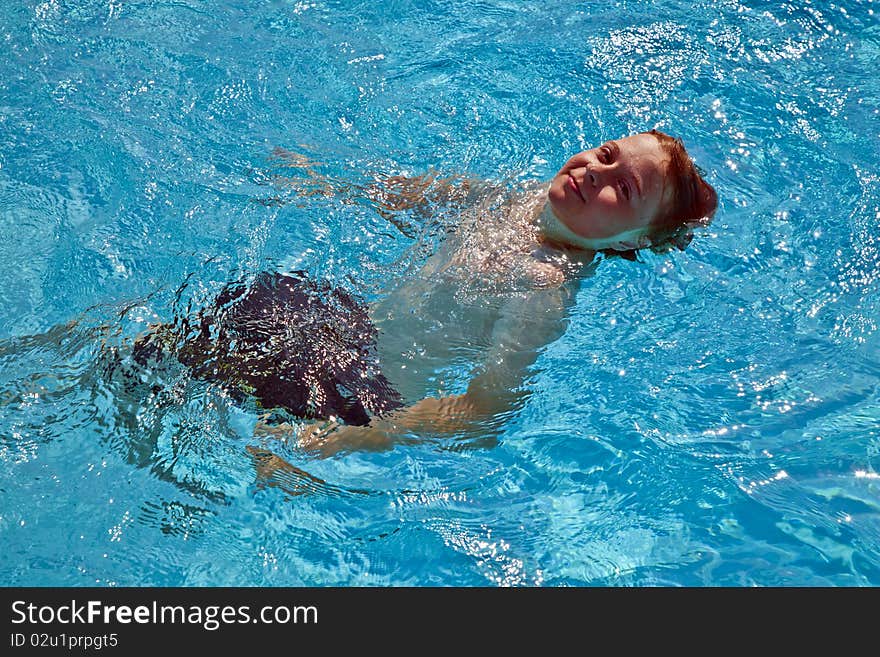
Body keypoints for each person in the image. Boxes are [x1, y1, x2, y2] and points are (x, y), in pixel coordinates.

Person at [137, 129, 717, 460]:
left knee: (180, 406)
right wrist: (320, 181)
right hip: (339, 327)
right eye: (608, 154)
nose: (596, 171)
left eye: (624, 187)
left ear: (634, 239)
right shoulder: (510, 199)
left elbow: (485, 411)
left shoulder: (545, 286)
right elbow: (409, 197)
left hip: (354, 393)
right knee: (174, 334)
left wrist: (351, 439)